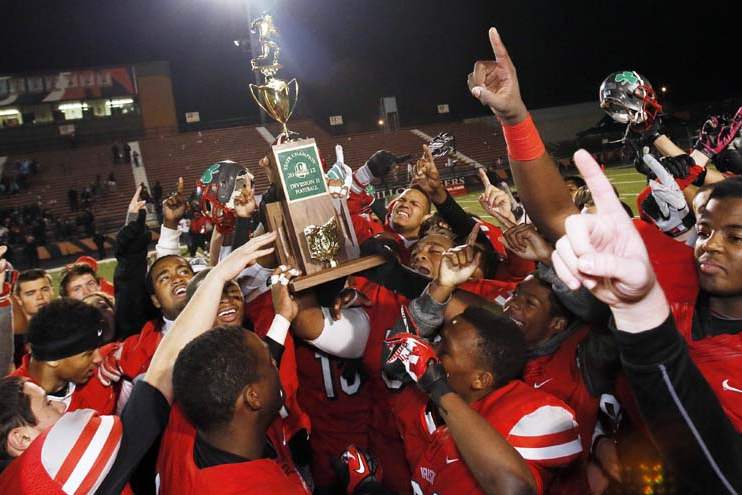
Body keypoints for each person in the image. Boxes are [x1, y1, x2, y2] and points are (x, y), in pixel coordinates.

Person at [0, 233, 277, 494]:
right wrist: (216, 278)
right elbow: (159, 378)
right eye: (47, 404)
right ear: (21, 440)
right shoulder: (58, 472)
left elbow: (157, 377)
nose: (60, 404)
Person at [382, 240, 582, 494]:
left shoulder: (531, 412)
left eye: (444, 351)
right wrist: (441, 287)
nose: (431, 353)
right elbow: (394, 359)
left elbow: (514, 487)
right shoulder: (423, 401)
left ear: (482, 379)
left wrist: (439, 388)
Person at [8, 298, 116, 415]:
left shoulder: (105, 369)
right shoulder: (11, 408)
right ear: (53, 359)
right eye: (89, 354)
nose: (98, 359)